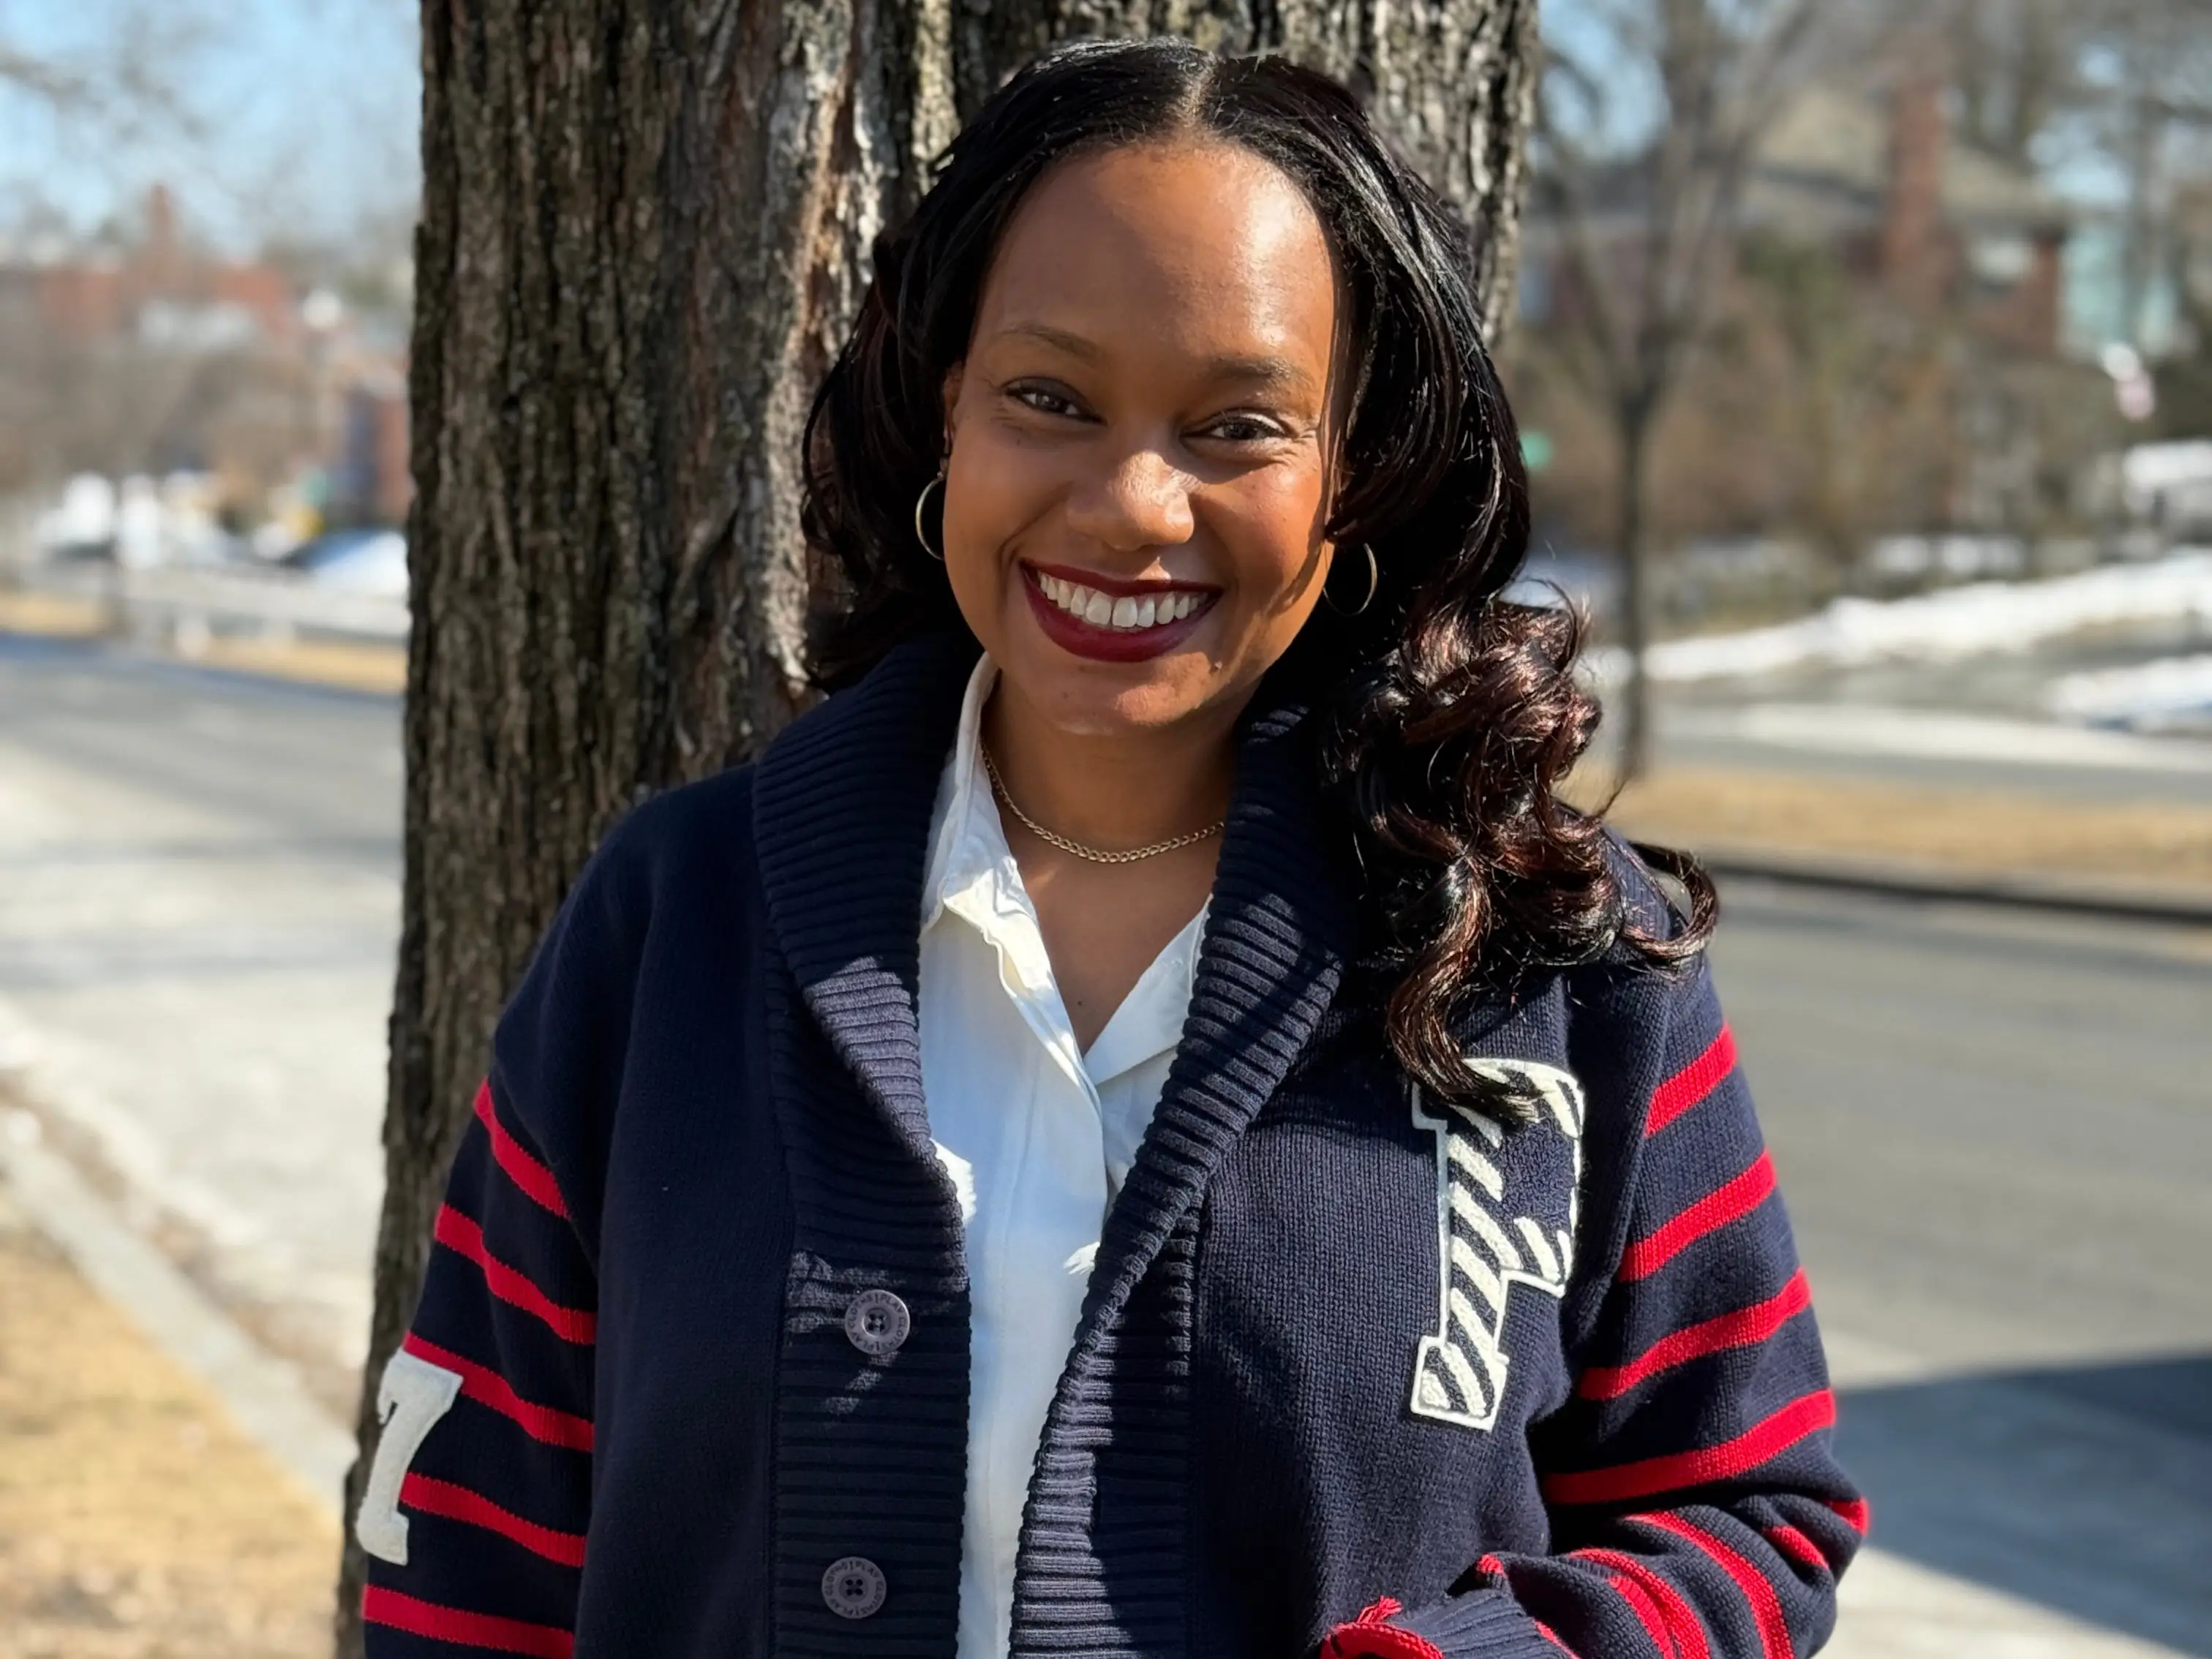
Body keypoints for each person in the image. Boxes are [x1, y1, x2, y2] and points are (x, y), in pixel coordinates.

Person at [353, 37, 1863, 1659]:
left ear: (1354, 466)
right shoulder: (672, 922)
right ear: (951, 408)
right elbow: (471, 1549)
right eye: (1049, 399)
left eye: (1237, 425)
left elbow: (1753, 1512)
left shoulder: (1546, 957)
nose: (1135, 503)